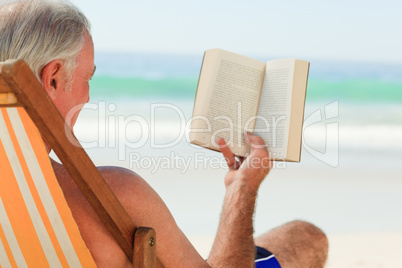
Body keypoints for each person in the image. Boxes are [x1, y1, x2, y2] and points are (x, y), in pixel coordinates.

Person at [0, 0, 329, 267]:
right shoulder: (113, 195)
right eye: (89, 77)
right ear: (54, 77)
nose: (87, 96)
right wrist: (241, 190)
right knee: (306, 237)